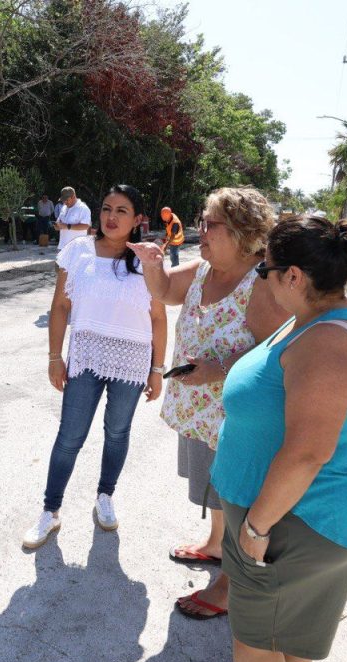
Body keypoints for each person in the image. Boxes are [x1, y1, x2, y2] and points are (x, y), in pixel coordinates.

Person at [209, 217, 347, 662]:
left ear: (294, 277)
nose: (260, 279)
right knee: (290, 631)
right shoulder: (314, 318)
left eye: (265, 270)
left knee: (258, 640)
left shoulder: (328, 342)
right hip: (293, 516)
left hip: (295, 519)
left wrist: (257, 528)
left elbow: (308, 452)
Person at [130, 187, 289, 620]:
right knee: (214, 487)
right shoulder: (203, 270)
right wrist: (151, 264)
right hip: (200, 411)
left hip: (235, 417)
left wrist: (217, 368)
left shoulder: (260, 282)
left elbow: (275, 350)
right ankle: (216, 545)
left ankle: (228, 584)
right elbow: (163, 291)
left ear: (241, 231)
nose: (201, 230)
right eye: (200, 220)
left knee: (236, 493)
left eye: (210, 223)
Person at [23, 185, 168, 548]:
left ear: (137, 219)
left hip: (133, 361)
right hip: (86, 356)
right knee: (69, 437)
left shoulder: (148, 260)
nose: (111, 217)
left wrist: (156, 368)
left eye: (122, 210)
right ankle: (50, 510)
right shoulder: (77, 252)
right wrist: (55, 358)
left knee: (117, 433)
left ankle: (105, 496)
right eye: (106, 208)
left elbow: (158, 318)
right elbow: (60, 308)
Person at [54, 186, 91, 252]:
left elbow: (86, 226)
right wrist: (57, 226)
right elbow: (59, 222)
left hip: (77, 249)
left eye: (67, 200)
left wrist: (67, 226)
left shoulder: (83, 208)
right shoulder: (64, 207)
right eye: (63, 200)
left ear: (73, 196)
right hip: (63, 247)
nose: (65, 202)